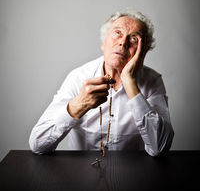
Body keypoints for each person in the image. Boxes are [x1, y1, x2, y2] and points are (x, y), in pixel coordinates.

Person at [29, 9, 174, 157]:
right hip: (81, 174)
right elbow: (38, 144)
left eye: (134, 39)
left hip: (131, 175)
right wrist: (78, 105)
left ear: (143, 51)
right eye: (117, 33)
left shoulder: (152, 81)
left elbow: (160, 148)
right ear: (104, 43)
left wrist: (129, 81)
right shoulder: (78, 77)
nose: (123, 42)